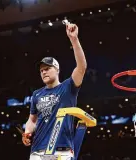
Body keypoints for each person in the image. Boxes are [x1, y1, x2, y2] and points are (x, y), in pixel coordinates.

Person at [22, 22, 87, 160]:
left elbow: (81, 67)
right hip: (37, 150)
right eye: (41, 70)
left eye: (47, 69)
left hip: (61, 150)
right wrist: (27, 132)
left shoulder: (68, 87)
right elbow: (32, 121)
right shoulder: (36, 94)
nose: (43, 72)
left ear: (57, 70)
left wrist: (74, 40)